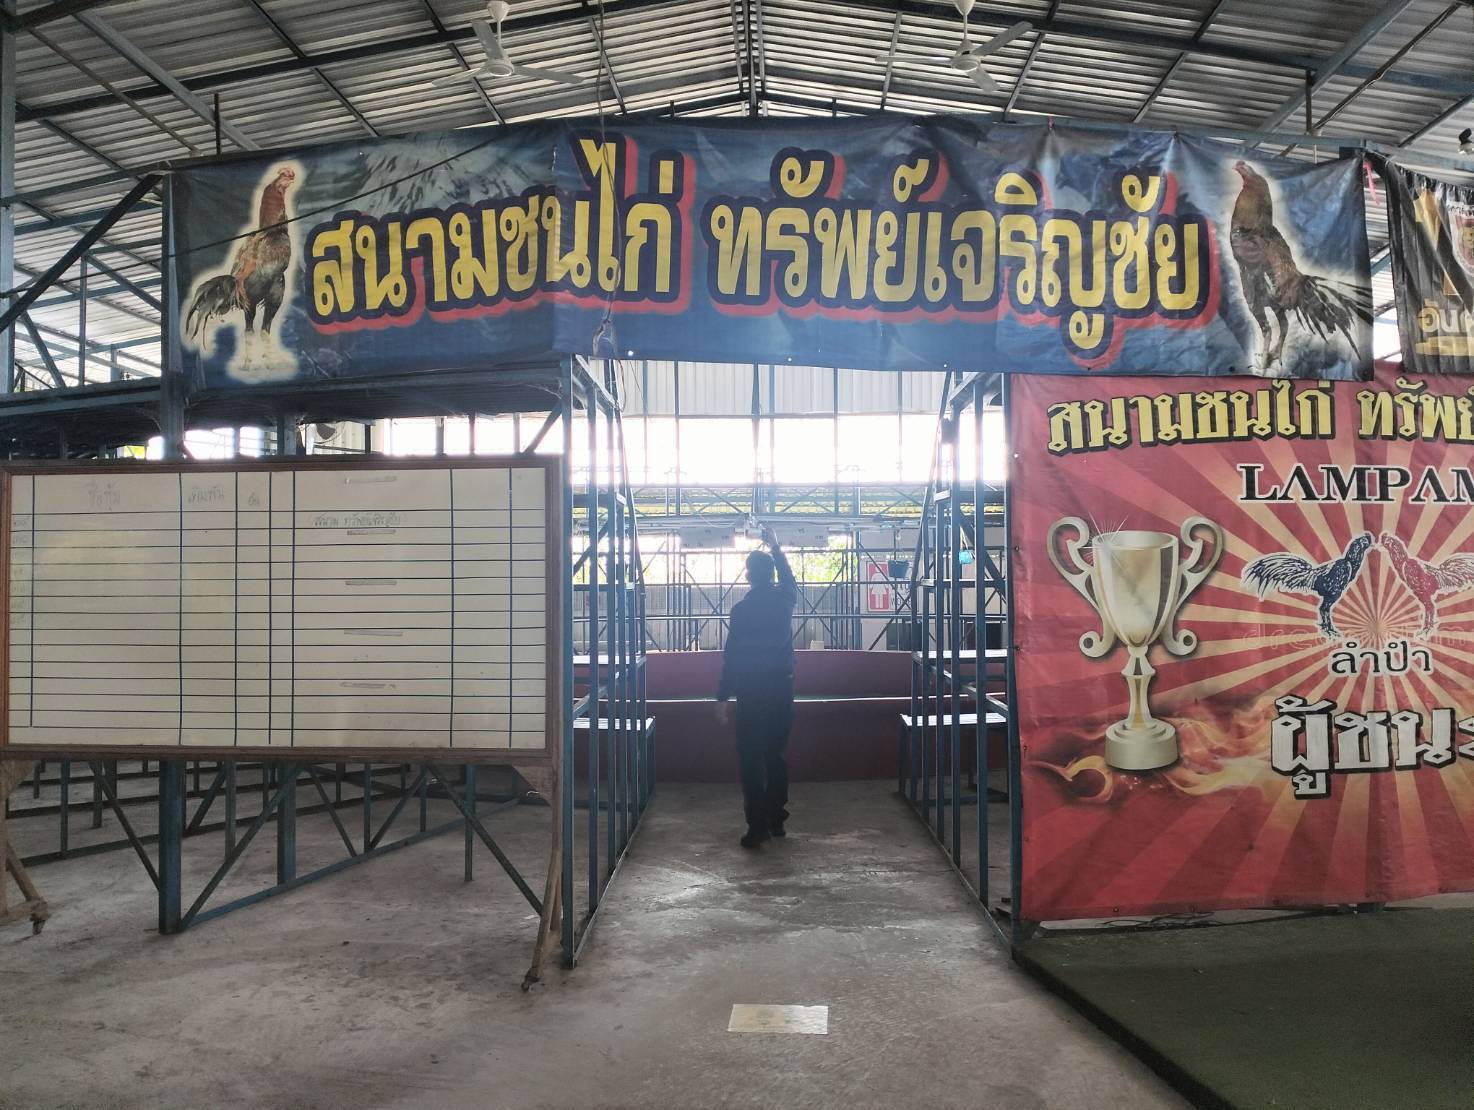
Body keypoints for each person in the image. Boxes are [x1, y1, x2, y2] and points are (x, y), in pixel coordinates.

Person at [716, 525, 798, 849]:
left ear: (749, 577)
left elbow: (732, 656)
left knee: (751, 758)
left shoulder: (741, 611)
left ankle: (757, 827)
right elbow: (789, 577)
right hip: (782, 689)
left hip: (751, 692)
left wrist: (723, 695)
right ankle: (777, 820)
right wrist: (776, 546)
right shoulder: (785, 601)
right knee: (776, 755)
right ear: (771, 575)